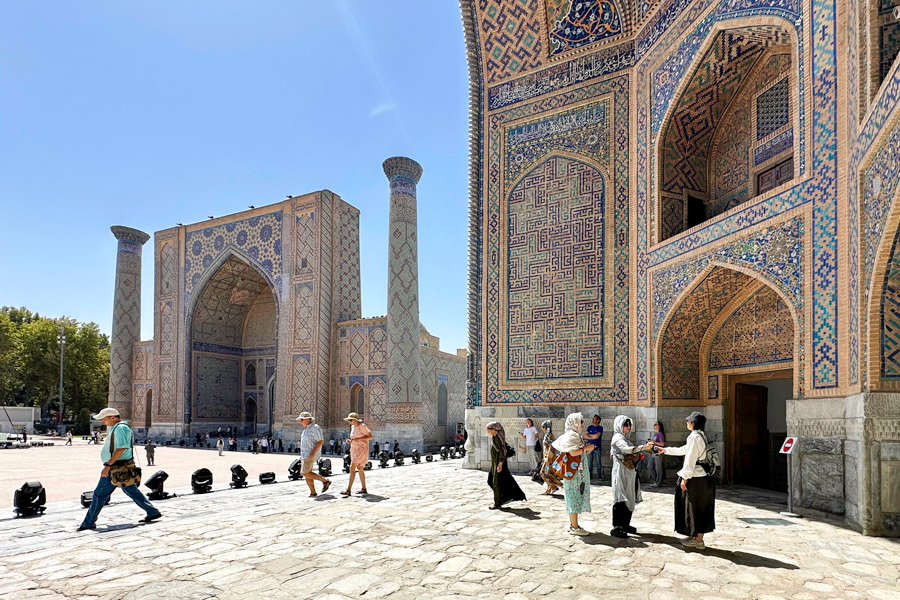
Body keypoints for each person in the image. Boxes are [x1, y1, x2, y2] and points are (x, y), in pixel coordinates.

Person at [78, 408, 161, 531]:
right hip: (120, 467)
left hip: (116, 468)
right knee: (131, 491)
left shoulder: (120, 428)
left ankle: (88, 522)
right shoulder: (118, 428)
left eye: (104, 418)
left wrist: (108, 466)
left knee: (99, 495)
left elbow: (121, 448)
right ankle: (152, 511)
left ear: (112, 417)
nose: (103, 421)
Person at [659, 412, 715, 550]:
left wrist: (684, 478)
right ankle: (696, 537)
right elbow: (684, 450)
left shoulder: (694, 437)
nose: (687, 422)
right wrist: (665, 450)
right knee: (700, 508)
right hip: (703, 478)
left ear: (693, 423)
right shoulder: (701, 436)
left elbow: (690, 459)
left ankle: (698, 541)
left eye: (689, 421)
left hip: (695, 479)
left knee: (694, 508)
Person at [609, 416, 654, 539]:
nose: (628, 428)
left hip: (630, 471)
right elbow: (626, 450)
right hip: (621, 471)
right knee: (620, 497)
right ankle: (616, 527)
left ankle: (625, 524)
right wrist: (644, 447)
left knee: (630, 496)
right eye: (625, 425)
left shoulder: (624, 438)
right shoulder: (617, 438)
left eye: (629, 425)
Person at [552, 413, 594, 535]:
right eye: (580, 421)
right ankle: (575, 527)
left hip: (575, 472)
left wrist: (586, 449)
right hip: (574, 473)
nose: (582, 424)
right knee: (573, 496)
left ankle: (573, 525)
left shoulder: (575, 435)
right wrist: (586, 448)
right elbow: (573, 453)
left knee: (573, 496)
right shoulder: (572, 436)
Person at [485, 422, 526, 509]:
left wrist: (500, 464)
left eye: (488, 430)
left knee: (496, 483)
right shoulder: (495, 437)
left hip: (498, 463)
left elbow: (502, 452)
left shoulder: (498, 439)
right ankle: (503, 498)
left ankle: (497, 503)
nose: (487, 432)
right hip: (495, 463)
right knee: (491, 480)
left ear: (493, 430)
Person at [296, 411, 331, 497]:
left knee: (304, 473)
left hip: (310, 454)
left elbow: (320, 441)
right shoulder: (306, 429)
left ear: (308, 419)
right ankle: (313, 492)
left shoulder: (315, 428)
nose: (300, 421)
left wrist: (312, 453)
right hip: (304, 454)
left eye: (302, 419)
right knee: (308, 474)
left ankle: (325, 481)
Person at [341, 412, 372, 496]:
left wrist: (358, 439)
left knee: (352, 467)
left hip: (361, 449)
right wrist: (350, 441)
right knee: (360, 467)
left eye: (350, 420)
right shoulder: (353, 427)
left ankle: (348, 490)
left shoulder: (362, 426)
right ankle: (364, 488)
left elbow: (370, 436)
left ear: (355, 420)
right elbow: (354, 438)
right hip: (354, 448)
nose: (349, 422)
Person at [539, 420, 562, 495]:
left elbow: (551, 448)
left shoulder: (550, 436)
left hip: (549, 459)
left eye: (543, 427)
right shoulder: (547, 436)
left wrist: (547, 459)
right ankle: (549, 489)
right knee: (548, 473)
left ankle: (558, 485)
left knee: (544, 473)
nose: (542, 429)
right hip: (547, 458)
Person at [585, 414, 604, 481]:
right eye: (593, 419)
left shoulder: (600, 428)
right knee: (589, 462)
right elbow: (585, 436)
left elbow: (597, 436)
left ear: (598, 420)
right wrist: (592, 436)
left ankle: (599, 476)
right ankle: (589, 475)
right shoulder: (589, 427)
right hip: (589, 447)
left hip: (597, 447)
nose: (593, 420)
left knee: (598, 461)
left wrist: (590, 435)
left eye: (595, 419)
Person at [648, 421, 667, 488]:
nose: (654, 425)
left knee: (658, 468)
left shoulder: (660, 434)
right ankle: (656, 480)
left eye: (656, 424)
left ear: (659, 426)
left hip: (658, 452)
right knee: (650, 466)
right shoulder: (656, 434)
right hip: (653, 452)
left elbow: (662, 444)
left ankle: (658, 483)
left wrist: (653, 442)